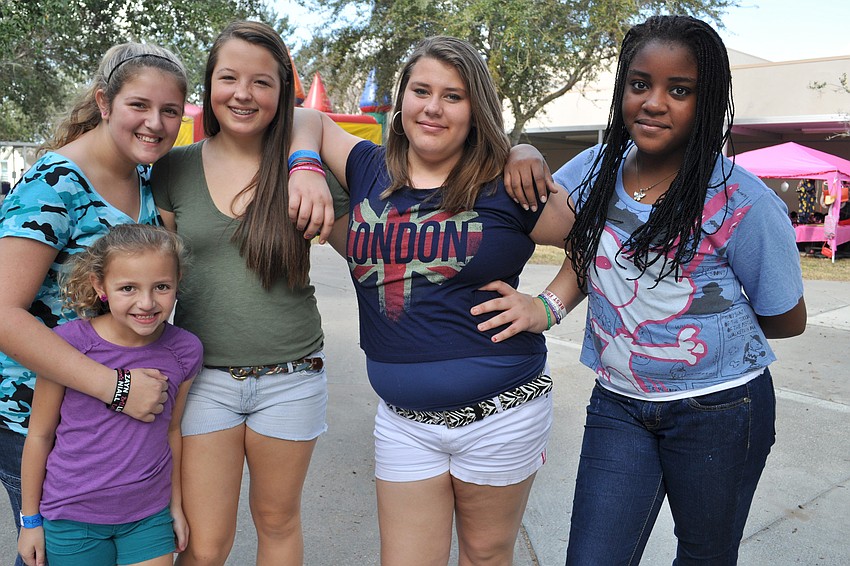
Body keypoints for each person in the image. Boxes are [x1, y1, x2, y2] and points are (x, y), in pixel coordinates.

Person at [481, 15, 807, 565]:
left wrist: (708, 325)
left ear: (709, 102)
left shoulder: (741, 200)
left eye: (680, 90)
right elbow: (583, 250)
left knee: (705, 555)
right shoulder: (593, 170)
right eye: (640, 84)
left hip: (722, 410)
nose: (654, 102)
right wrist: (523, 151)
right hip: (620, 404)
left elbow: (785, 317)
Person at [291, 35, 573, 565]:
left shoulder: (507, 182)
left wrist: (546, 307)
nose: (433, 108)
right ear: (402, 102)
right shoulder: (370, 168)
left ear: (475, 110)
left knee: (485, 557)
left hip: (501, 414)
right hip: (403, 421)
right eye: (421, 90)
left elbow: (591, 246)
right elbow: (303, 119)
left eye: (453, 96)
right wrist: (304, 166)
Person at [149, 21, 347, 566]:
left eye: (262, 82)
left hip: (292, 377)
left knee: (278, 523)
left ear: (281, 92)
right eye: (229, 77)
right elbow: (154, 276)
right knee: (205, 545)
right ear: (210, 86)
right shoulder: (172, 169)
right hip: (203, 379)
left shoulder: (306, 168)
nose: (243, 93)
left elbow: (368, 248)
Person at [0, 42, 188, 566]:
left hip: (114, 419)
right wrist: (115, 386)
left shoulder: (146, 177)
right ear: (105, 103)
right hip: (43, 419)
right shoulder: (54, 185)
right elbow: (2, 312)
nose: (155, 122)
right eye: (139, 106)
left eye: (169, 110)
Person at [17, 223, 202, 566]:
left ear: (178, 283)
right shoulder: (67, 345)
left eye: (161, 286)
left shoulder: (185, 350)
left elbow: (172, 431)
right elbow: (40, 435)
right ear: (100, 286)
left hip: (149, 516)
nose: (146, 303)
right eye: (128, 288)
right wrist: (30, 522)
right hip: (72, 517)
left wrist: (175, 506)